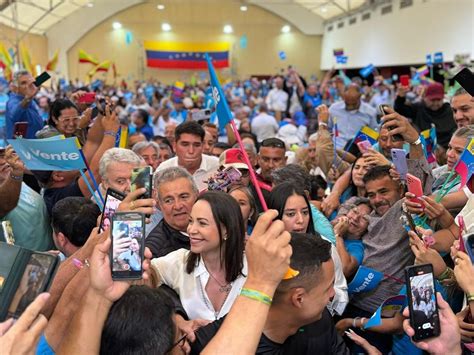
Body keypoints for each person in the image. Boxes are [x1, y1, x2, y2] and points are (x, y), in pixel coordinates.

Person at [192, 233, 351, 354]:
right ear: (298, 298)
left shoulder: (320, 322)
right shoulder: (213, 342)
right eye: (328, 287)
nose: (332, 294)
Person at [151, 191, 247, 323]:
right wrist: (175, 317)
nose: (191, 229)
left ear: (227, 230)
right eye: (191, 221)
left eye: (202, 223)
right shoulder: (179, 262)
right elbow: (140, 279)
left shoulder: (252, 268)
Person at [268, 181, 349, 316]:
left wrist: (322, 294)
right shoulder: (264, 250)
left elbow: (341, 294)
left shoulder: (325, 247)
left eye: (305, 212)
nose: (300, 220)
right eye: (291, 214)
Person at [0, 146, 53, 251]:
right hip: (25, 265)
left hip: (51, 257)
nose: (2, 161)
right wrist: (16, 172)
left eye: (2, 155)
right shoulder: (15, 176)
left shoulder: (15, 181)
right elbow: (4, 205)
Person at [145, 167, 199, 258]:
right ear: (159, 204)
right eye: (169, 200)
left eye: (183, 197)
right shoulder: (154, 252)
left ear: (197, 195)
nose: (177, 206)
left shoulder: (216, 229)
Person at [156, 121, 219, 190]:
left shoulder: (217, 166)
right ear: (174, 146)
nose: (191, 151)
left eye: (196, 145)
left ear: (202, 146)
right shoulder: (163, 170)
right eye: (185, 145)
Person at [395, 82, 456, 149]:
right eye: (432, 100)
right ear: (425, 97)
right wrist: (400, 97)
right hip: (423, 149)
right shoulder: (418, 108)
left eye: (438, 100)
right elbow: (400, 109)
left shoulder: (450, 110)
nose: (435, 103)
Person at [328, 84, 378, 150]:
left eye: (353, 102)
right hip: (335, 149)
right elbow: (329, 129)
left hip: (357, 151)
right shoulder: (334, 109)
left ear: (359, 96)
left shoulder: (370, 112)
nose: (350, 105)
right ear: (344, 97)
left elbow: (373, 134)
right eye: (347, 102)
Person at [6, 70, 44, 139]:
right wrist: (27, 98)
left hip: (34, 145)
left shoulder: (31, 100)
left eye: (30, 82)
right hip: (21, 147)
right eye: (23, 83)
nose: (28, 86)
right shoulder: (13, 101)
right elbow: (15, 114)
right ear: (16, 87)